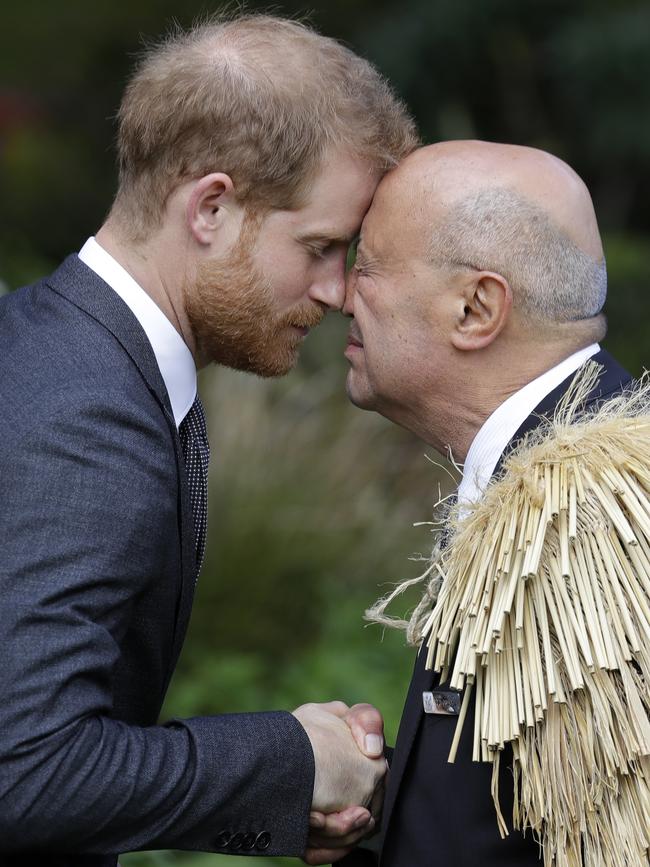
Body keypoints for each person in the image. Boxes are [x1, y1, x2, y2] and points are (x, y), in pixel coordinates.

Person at [0, 13, 418, 865]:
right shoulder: (89, 414)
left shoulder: (56, 347)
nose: (340, 291)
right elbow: (26, 771)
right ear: (212, 206)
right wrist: (293, 761)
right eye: (322, 246)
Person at [340, 141, 643, 866]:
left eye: (366, 265)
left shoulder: (584, 520)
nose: (337, 294)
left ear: (476, 308)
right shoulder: (554, 476)